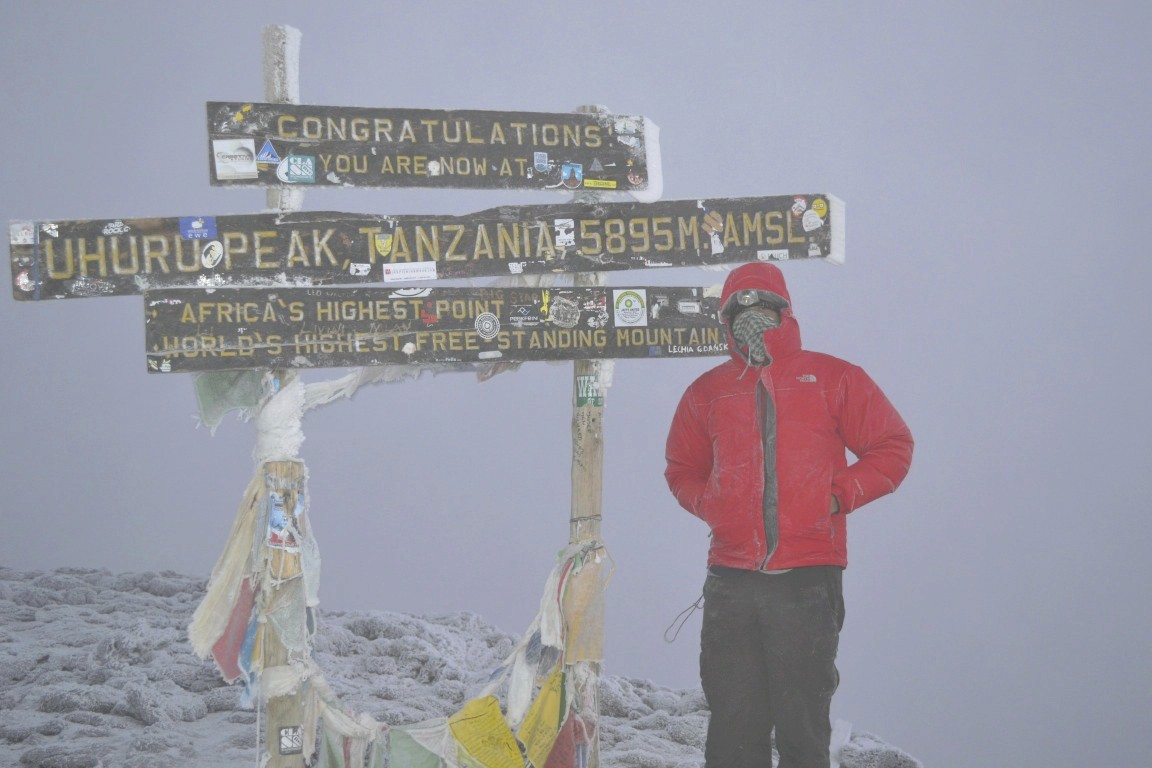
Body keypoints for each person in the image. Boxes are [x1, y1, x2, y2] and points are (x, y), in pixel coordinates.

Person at [664, 262, 914, 768]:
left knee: (802, 723)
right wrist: (711, 504)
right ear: (726, 318)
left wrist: (837, 494)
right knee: (734, 721)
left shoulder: (833, 376)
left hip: (809, 576)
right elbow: (681, 468)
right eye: (739, 307)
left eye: (763, 305)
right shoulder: (707, 390)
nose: (751, 316)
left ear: (785, 311)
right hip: (731, 578)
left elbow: (893, 446)